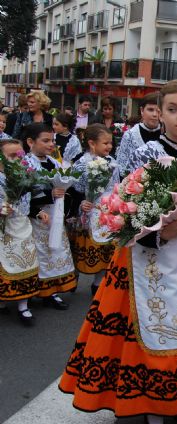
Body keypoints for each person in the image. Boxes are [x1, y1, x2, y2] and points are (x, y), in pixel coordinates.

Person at [59, 79, 177, 424]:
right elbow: (124, 214)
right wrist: (161, 233)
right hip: (149, 257)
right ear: (159, 113)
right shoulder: (147, 153)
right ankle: (151, 400)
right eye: (173, 110)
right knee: (149, 328)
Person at [23, 123, 78, 310]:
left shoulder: (54, 162)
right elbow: (23, 195)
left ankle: (51, 292)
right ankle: (30, 294)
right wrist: (49, 196)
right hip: (37, 217)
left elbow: (62, 183)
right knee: (38, 254)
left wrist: (63, 191)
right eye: (45, 140)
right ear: (30, 142)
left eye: (52, 141)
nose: (51, 145)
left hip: (55, 215)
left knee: (55, 253)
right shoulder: (26, 164)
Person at [69, 124, 118, 295]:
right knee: (84, 247)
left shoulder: (112, 162)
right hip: (89, 212)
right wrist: (82, 202)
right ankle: (73, 277)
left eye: (110, 143)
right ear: (92, 143)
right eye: (105, 143)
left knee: (106, 248)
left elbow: (115, 186)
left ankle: (98, 282)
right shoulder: (82, 163)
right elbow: (74, 189)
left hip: (107, 210)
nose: (109, 147)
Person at [0, 139, 43, 326]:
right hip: (4, 228)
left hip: (22, 226)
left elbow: (28, 201)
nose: (16, 161)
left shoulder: (25, 176)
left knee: (26, 263)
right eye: (11, 156)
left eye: (19, 156)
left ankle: (23, 306)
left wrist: (38, 212)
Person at [115, 92, 161, 176]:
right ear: (142, 110)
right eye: (150, 110)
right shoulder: (130, 135)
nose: (155, 114)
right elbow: (121, 167)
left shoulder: (167, 134)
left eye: (158, 111)